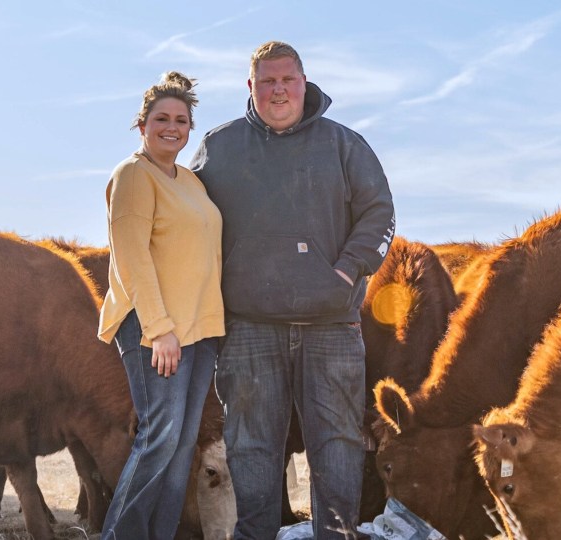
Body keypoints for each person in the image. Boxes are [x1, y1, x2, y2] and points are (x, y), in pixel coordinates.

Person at [190, 41, 395, 539]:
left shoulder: (345, 145)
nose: (278, 89)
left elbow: (380, 214)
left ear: (304, 82)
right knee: (252, 446)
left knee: (338, 443)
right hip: (249, 327)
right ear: (251, 87)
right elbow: (188, 217)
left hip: (332, 326)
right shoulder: (220, 148)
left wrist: (346, 272)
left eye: (287, 79)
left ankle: (336, 535)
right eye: (267, 81)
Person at [97, 71, 225, 539]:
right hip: (155, 328)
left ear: (191, 128)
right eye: (161, 119)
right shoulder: (133, 175)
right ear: (142, 124)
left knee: (182, 445)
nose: (172, 127)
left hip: (199, 330)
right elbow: (132, 257)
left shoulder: (190, 181)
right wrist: (159, 329)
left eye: (181, 120)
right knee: (159, 438)